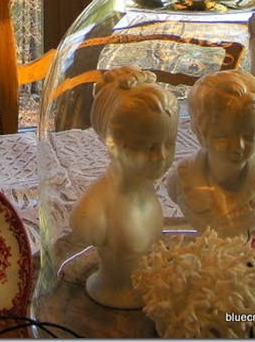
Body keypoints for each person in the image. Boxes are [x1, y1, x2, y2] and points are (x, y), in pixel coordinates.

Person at [69, 66, 179, 309]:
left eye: (169, 143)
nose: (162, 156)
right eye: (148, 147)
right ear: (113, 144)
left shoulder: (147, 191)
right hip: (108, 293)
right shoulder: (94, 209)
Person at [166, 70, 255, 237]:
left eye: (248, 136)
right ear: (199, 131)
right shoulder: (180, 180)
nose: (238, 146)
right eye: (224, 137)